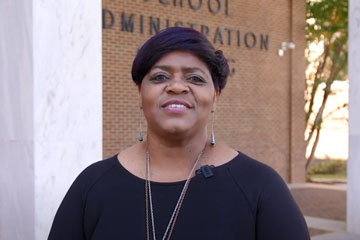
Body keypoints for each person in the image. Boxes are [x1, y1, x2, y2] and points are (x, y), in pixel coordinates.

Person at [48, 27, 310, 240]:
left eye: (195, 79)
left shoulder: (260, 187)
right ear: (140, 94)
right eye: (160, 77)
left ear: (215, 97)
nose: (176, 87)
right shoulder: (92, 185)